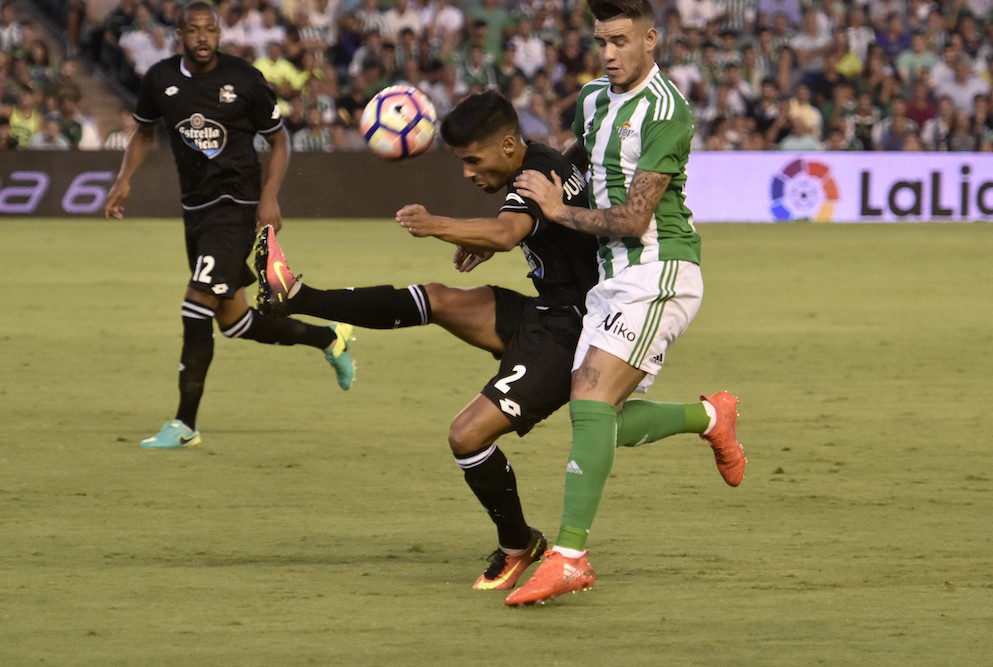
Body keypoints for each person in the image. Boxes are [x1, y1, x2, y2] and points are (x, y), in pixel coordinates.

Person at [255, 90, 596, 591]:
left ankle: (519, 545)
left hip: (572, 330)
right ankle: (297, 296)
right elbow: (520, 226)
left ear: (506, 146)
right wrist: (490, 239)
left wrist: (434, 225)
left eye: (472, 161)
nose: (467, 173)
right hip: (550, 311)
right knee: (438, 297)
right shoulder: (541, 157)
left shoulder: (535, 174)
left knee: (467, 435)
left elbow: (506, 232)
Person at [507, 0, 746, 606]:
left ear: (651, 39)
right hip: (611, 279)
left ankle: (568, 557)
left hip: (660, 269)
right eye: (600, 42)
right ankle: (711, 417)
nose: (609, 54)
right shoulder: (591, 99)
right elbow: (580, 163)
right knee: (600, 419)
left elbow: (636, 215)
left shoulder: (668, 112)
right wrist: (523, 220)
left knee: (588, 403)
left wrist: (557, 211)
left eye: (619, 41)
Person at [103, 1, 354, 450]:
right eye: (193, 30)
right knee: (234, 321)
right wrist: (123, 179)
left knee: (194, 305)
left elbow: (279, 141)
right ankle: (330, 337)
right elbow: (143, 132)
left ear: (220, 34)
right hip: (196, 208)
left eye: (210, 30)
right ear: (179, 35)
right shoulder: (160, 79)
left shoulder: (244, 80)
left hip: (236, 202)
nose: (202, 37)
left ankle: (184, 425)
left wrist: (270, 196)